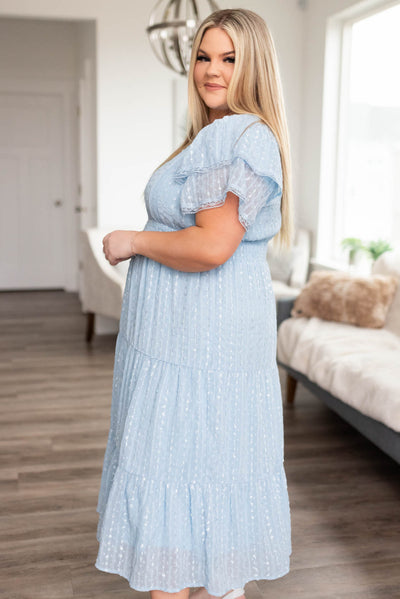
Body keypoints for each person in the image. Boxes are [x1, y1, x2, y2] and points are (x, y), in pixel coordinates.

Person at [96, 8, 293, 599]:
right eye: (204, 56)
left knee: (183, 472)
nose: (212, 70)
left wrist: (133, 241)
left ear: (253, 65)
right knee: (196, 472)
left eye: (230, 58)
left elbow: (212, 245)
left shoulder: (239, 135)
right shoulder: (216, 133)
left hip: (198, 343)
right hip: (179, 340)